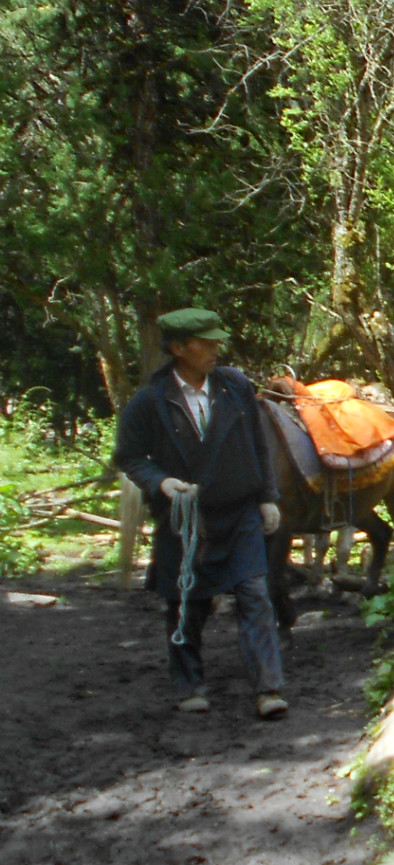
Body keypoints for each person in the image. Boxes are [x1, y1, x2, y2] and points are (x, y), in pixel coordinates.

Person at [112, 308, 287, 719]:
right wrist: (160, 482)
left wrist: (267, 496)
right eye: (205, 343)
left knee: (255, 595)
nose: (215, 349)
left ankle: (268, 689)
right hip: (186, 520)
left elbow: (258, 445)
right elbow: (130, 457)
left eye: (215, 342)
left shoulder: (235, 387)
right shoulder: (149, 402)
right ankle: (190, 684)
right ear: (178, 349)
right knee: (186, 602)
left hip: (240, 511)